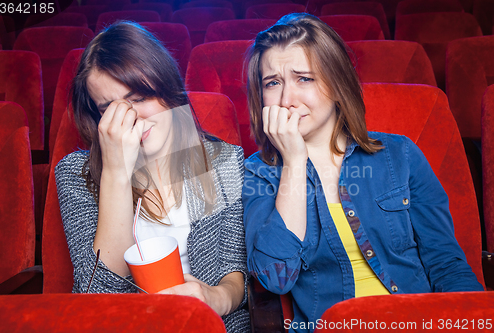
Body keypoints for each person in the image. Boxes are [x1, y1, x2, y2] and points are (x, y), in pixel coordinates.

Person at [242, 13, 483, 332]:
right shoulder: (258, 173)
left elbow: (446, 263)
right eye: (273, 83)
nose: (287, 100)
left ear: (337, 84)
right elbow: (276, 278)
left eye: (305, 78)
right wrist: (294, 161)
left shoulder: (399, 154)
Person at [55, 21, 250, 332]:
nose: (129, 119)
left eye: (138, 98)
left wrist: (215, 297)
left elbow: (234, 271)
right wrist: (116, 173)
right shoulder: (75, 175)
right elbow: (98, 295)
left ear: (167, 91)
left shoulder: (224, 161)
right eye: (109, 108)